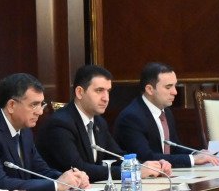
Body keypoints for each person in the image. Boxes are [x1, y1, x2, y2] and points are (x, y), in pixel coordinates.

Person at [0, 73, 92, 191]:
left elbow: (40, 170)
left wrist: (72, 179)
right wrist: (56, 185)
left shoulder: (24, 130)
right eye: (34, 105)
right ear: (11, 105)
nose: (40, 112)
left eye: (41, 104)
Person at [38, 64, 168, 183]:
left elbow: (117, 156)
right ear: (79, 92)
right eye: (99, 90)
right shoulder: (60, 124)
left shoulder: (99, 122)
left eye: (108, 91)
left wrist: (148, 165)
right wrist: (131, 171)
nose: (106, 98)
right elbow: (78, 168)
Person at [114, 62, 219, 169]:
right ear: (150, 89)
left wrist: (196, 153)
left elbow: (174, 147)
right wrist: (192, 159)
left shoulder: (166, 112)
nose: (175, 92)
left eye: (175, 86)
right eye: (168, 87)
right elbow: (145, 157)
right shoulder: (131, 117)